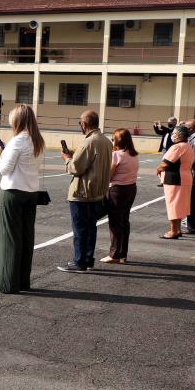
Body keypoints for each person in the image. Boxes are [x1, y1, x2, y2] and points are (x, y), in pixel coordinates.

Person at [0, 105, 44, 294]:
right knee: (25, 238)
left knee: (9, 239)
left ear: (17, 121)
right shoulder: (37, 140)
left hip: (13, 193)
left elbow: (5, 169)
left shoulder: (17, 141)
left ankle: (7, 283)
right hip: (31, 193)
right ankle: (22, 281)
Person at [58, 110, 112, 273]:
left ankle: (79, 262)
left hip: (83, 192)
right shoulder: (106, 141)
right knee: (90, 228)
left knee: (80, 229)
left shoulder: (89, 142)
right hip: (97, 192)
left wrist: (67, 159)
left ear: (84, 124)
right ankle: (87, 259)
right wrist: (75, 157)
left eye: (80, 123)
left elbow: (76, 168)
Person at [102, 129, 140, 264]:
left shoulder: (116, 155)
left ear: (117, 141)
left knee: (115, 222)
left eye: (113, 139)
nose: (112, 141)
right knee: (124, 221)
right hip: (131, 188)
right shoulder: (133, 154)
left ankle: (115, 254)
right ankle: (123, 254)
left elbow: (109, 175)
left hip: (117, 190)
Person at [158, 125, 194, 238]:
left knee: (173, 205)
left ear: (178, 135)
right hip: (185, 177)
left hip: (175, 178)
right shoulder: (188, 146)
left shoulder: (177, 147)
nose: (172, 135)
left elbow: (165, 163)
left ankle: (173, 231)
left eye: (174, 133)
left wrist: (158, 169)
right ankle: (177, 229)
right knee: (180, 205)